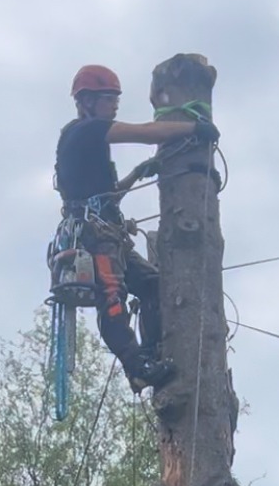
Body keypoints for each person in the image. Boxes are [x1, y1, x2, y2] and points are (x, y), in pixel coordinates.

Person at [54, 64, 215, 392]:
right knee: (112, 296)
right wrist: (194, 128)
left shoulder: (90, 144)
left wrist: (138, 173)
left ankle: (152, 352)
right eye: (108, 98)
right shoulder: (84, 131)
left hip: (108, 233)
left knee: (153, 286)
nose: (115, 105)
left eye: (116, 98)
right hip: (93, 236)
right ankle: (137, 366)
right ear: (87, 101)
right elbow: (145, 133)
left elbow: (107, 196)